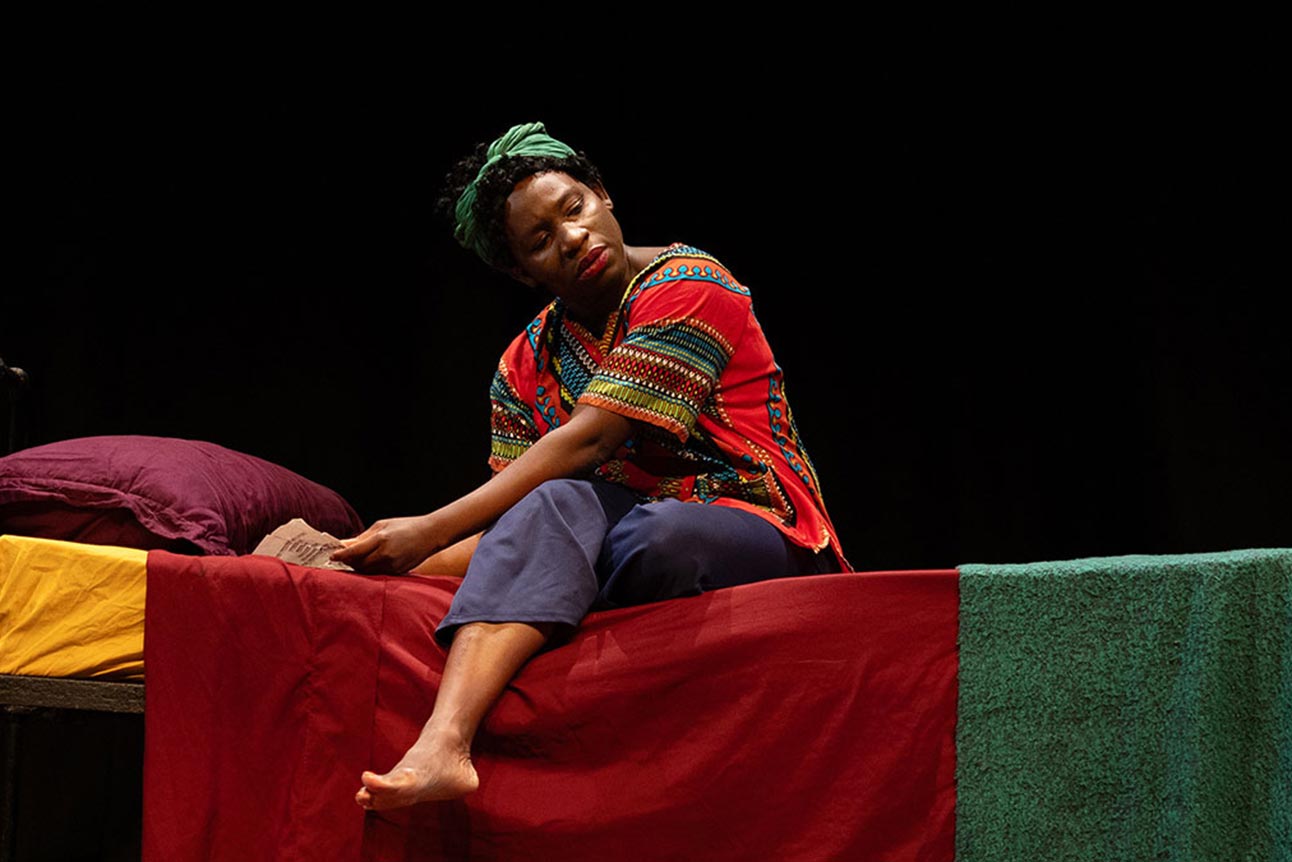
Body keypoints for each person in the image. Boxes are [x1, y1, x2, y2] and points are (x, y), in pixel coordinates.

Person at [332, 122, 850, 811]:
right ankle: (443, 744)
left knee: (651, 536)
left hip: (760, 526)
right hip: (624, 541)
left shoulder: (694, 283)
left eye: (573, 208)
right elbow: (515, 531)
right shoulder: (523, 366)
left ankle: (557, 600)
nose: (571, 237)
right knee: (553, 510)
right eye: (541, 240)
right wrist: (364, 560)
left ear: (603, 195)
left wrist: (425, 531)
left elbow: (590, 442)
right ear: (522, 272)